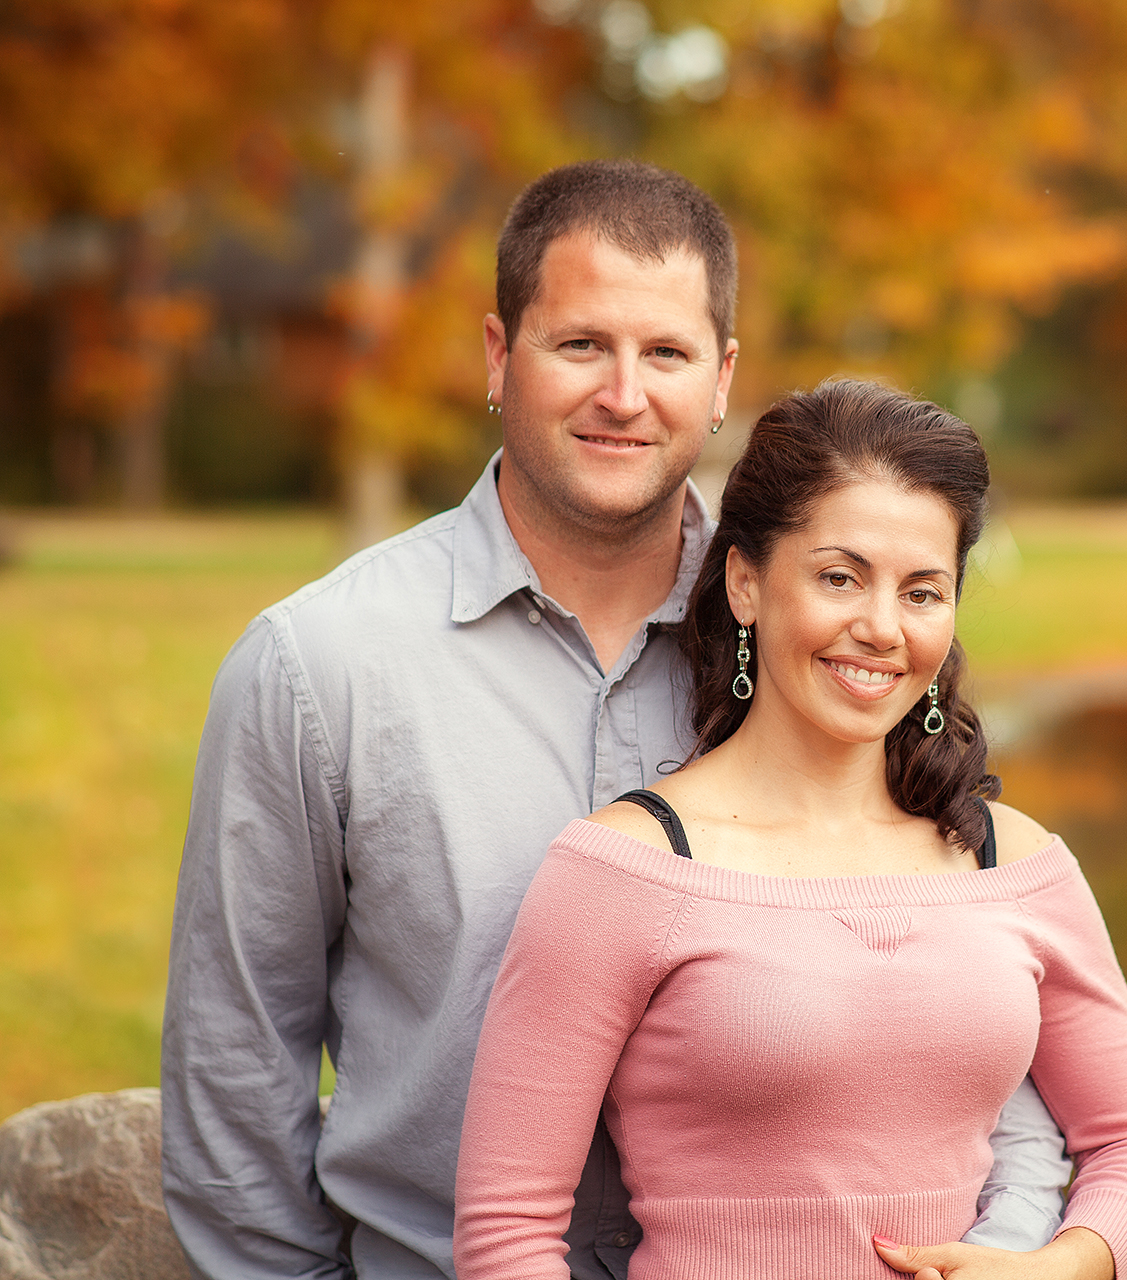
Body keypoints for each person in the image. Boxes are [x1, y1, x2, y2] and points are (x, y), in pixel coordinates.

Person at [162, 162, 1073, 1280]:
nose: (624, 395)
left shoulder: (818, 645)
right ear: (501, 356)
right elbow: (236, 1074)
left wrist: (1020, 1249)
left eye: (668, 354)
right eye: (581, 344)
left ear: (723, 377)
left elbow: (983, 1011)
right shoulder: (319, 668)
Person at [453, 380, 1127, 1280]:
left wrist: (1063, 1265)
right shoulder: (625, 870)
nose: (881, 628)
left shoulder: (1012, 860)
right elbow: (506, 1233)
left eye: (923, 592)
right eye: (840, 577)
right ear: (747, 582)